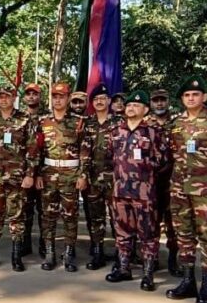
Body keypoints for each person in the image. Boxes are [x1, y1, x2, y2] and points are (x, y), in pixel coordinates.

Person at [165, 75, 207, 303]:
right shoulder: (174, 123)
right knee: (184, 235)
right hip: (179, 188)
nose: (191, 98)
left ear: (204, 97)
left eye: (195, 94)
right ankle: (187, 280)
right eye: (187, 95)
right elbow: (170, 153)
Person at [104, 90, 167, 291]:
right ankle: (124, 268)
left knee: (148, 233)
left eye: (136, 105)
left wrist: (145, 173)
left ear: (145, 110)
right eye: (129, 105)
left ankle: (148, 273)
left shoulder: (153, 132)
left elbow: (163, 161)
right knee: (122, 231)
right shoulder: (116, 131)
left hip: (144, 192)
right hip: (120, 190)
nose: (131, 108)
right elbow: (109, 157)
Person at [0, 85, 38, 270]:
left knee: (17, 216)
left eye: (7, 96)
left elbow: (32, 149)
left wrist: (30, 174)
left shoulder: (24, 119)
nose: (4, 100)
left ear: (14, 98)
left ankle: (16, 256)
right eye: (1, 96)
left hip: (17, 177)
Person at [37, 82, 90, 272]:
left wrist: (83, 175)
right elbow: (36, 150)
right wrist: (36, 174)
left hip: (70, 175)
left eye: (61, 96)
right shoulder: (43, 122)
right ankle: (50, 253)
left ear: (68, 99)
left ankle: (68, 254)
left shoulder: (78, 122)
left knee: (70, 216)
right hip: (49, 174)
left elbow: (85, 152)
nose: (57, 100)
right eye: (54, 96)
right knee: (48, 216)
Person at [81, 83, 119, 270]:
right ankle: (98, 252)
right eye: (96, 99)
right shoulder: (87, 123)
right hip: (93, 178)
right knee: (95, 217)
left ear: (109, 101)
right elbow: (83, 153)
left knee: (117, 217)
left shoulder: (119, 123)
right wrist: (83, 175)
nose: (99, 102)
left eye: (103, 99)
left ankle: (122, 253)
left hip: (115, 179)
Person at [148, 88, 179, 275]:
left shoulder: (178, 123)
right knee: (151, 223)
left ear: (168, 101)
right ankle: (151, 260)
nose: (159, 104)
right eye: (155, 100)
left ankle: (173, 259)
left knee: (173, 223)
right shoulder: (144, 124)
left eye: (162, 100)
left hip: (173, 181)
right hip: (151, 181)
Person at [22, 83, 46, 258]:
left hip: (44, 171)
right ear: (24, 98)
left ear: (40, 97)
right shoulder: (19, 118)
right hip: (22, 172)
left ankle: (45, 244)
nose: (31, 97)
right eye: (28, 94)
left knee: (44, 210)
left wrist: (39, 173)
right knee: (25, 209)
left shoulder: (47, 118)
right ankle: (25, 242)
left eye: (35, 94)